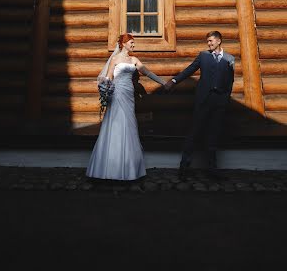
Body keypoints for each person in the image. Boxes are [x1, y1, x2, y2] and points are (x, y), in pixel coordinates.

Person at [86, 33, 166, 181]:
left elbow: (147, 72)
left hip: (129, 95)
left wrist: (163, 82)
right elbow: (109, 77)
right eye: (131, 42)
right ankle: (111, 167)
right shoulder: (115, 59)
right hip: (117, 94)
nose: (133, 45)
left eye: (133, 43)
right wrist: (105, 88)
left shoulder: (134, 60)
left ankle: (129, 167)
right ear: (123, 44)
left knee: (129, 125)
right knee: (116, 124)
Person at [164, 30, 234, 179]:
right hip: (203, 101)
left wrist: (225, 98)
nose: (209, 44)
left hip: (219, 102)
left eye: (211, 41)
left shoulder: (229, 59)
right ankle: (184, 167)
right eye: (208, 41)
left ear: (219, 41)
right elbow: (190, 70)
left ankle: (212, 170)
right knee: (194, 133)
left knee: (213, 134)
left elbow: (230, 81)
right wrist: (175, 80)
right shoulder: (203, 56)